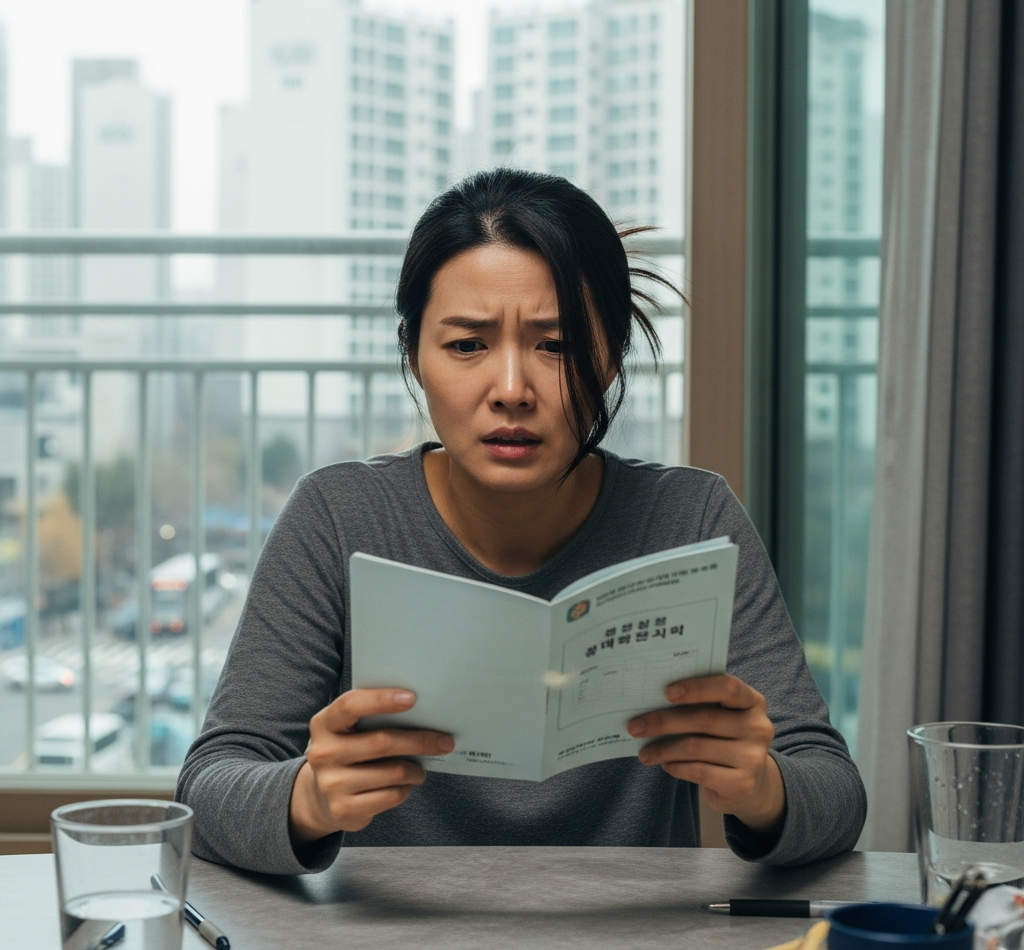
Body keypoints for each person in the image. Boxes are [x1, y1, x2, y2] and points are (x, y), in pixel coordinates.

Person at [177, 168, 866, 874]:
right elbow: (210, 787)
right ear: (414, 354)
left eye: (557, 345)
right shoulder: (338, 516)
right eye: (467, 345)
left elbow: (835, 793)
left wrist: (761, 786)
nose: (512, 390)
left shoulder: (692, 518)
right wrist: (309, 798)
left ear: (612, 355)